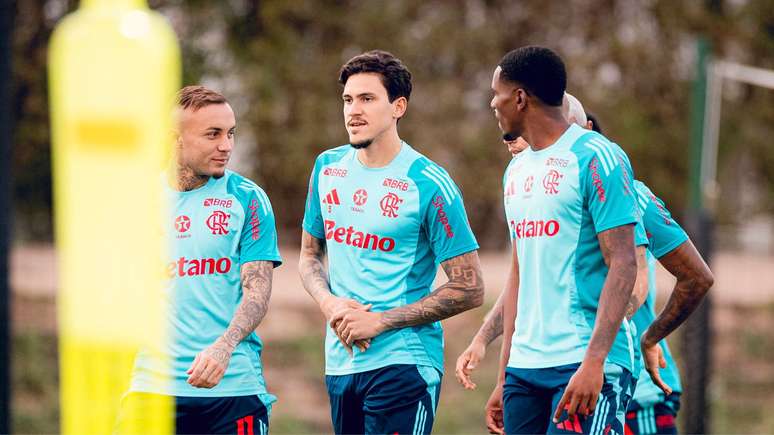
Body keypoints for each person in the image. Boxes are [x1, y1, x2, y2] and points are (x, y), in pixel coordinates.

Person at [298, 50, 484, 435]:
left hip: (404, 363)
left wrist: (380, 322)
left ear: (398, 107)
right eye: (348, 100)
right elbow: (309, 256)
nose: (354, 111)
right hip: (341, 363)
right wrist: (330, 303)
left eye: (367, 99)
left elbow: (470, 287)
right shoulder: (326, 168)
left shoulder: (429, 182)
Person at [486, 46, 641, 435]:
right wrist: (504, 376)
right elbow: (518, 276)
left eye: (497, 94)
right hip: (524, 369)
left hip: (582, 362)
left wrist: (594, 362)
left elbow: (623, 262)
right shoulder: (515, 171)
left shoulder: (597, 156)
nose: (493, 104)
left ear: (520, 98)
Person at [117, 85, 282, 435]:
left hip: (232, 388)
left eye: (230, 133)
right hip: (152, 386)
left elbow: (257, 292)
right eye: (213, 134)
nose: (226, 146)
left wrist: (223, 348)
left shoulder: (248, 198)